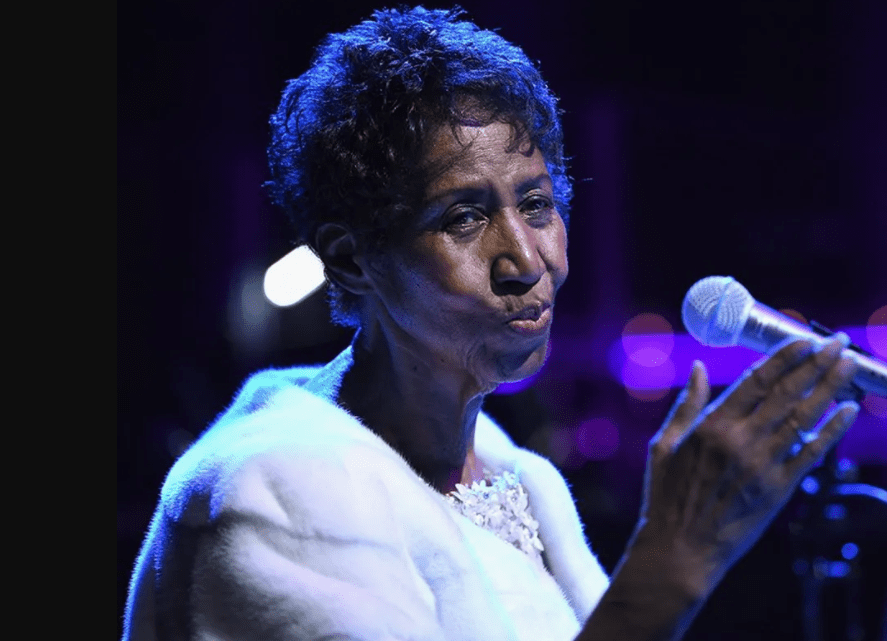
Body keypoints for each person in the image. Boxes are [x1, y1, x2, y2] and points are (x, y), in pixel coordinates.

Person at [121, 7, 861, 640]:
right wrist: (669, 564)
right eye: (465, 216)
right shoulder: (276, 492)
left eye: (536, 204)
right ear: (350, 262)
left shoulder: (518, 478)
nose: (525, 259)